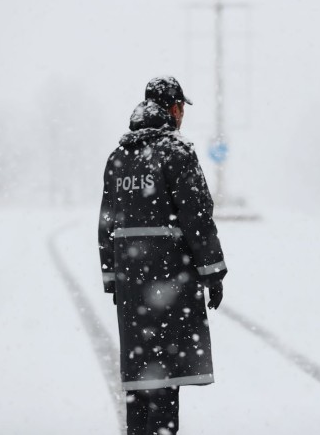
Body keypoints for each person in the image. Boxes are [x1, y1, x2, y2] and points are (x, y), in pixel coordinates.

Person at [98, 76, 228, 435]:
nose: (182, 114)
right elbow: (197, 216)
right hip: (169, 281)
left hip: (131, 285)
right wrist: (213, 271)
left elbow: (106, 220)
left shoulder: (118, 157)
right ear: (174, 109)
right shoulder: (177, 152)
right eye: (182, 107)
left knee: (139, 379)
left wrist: (112, 276)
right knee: (166, 377)